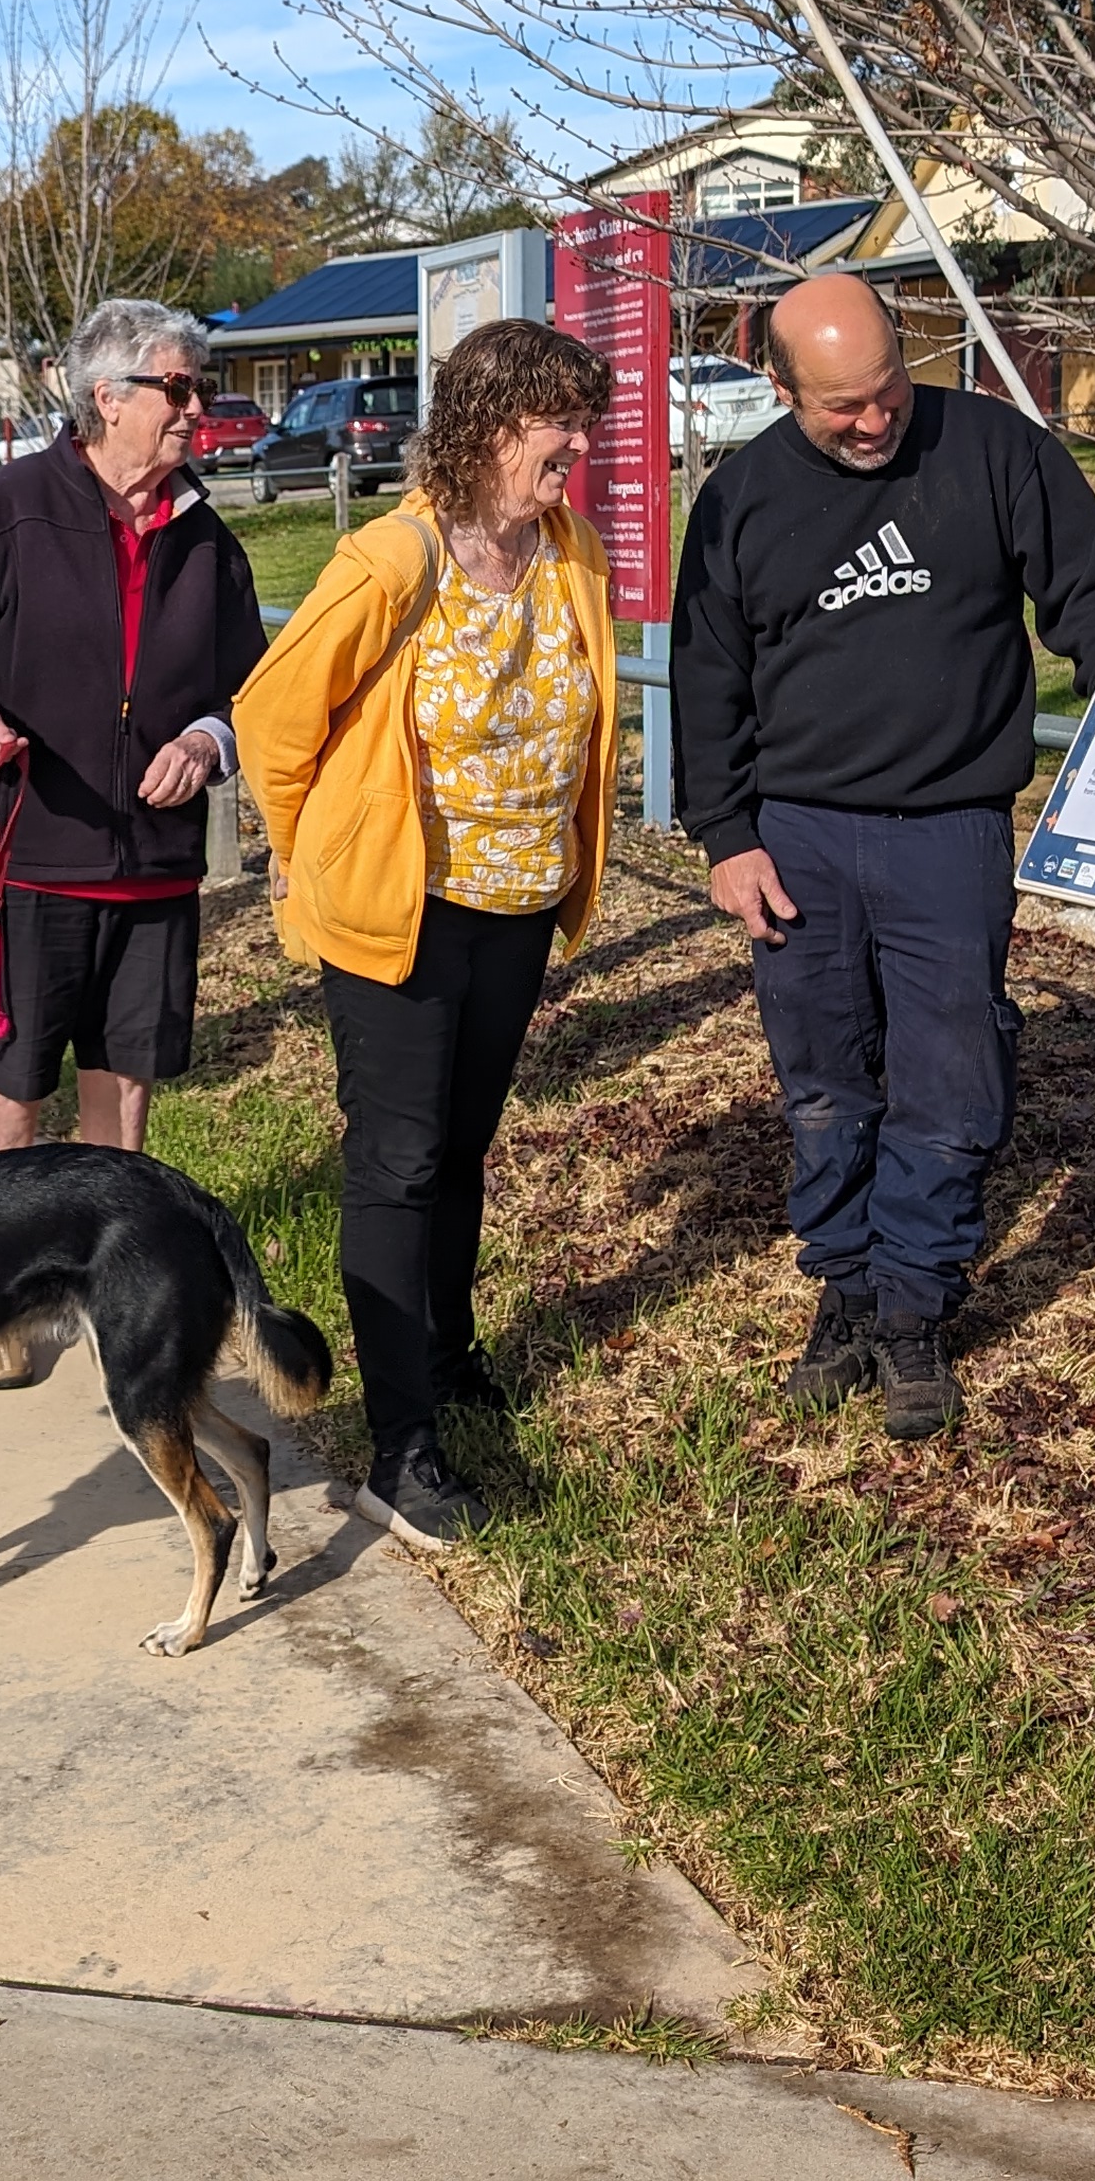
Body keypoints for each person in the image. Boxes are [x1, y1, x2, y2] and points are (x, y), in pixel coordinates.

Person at [670, 272, 1095, 1442]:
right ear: (777, 389)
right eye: (841, 406)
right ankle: (846, 1284)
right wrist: (726, 840)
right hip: (799, 837)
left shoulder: (995, 451)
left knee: (950, 1079)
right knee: (826, 1081)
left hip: (950, 829)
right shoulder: (740, 500)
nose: (875, 420)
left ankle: (917, 1305)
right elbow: (707, 683)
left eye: (888, 389)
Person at [237, 317, 619, 1550]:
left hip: (515, 907)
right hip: (396, 918)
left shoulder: (568, 550)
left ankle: (446, 1362)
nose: (581, 443)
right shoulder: (390, 560)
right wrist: (317, 857)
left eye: (584, 418)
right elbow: (272, 720)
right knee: (397, 1163)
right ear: (490, 426)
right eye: (561, 419)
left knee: (462, 1150)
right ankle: (401, 1451)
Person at [0, 296, 266, 1153]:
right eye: (177, 387)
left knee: (126, 1085)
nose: (197, 408)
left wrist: (210, 740)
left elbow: (253, 689)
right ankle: (1, 1276)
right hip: (19, 863)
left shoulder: (208, 541)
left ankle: (103, 1273)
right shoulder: (6, 510)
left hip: (156, 868)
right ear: (108, 398)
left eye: (198, 387)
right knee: (7, 1084)